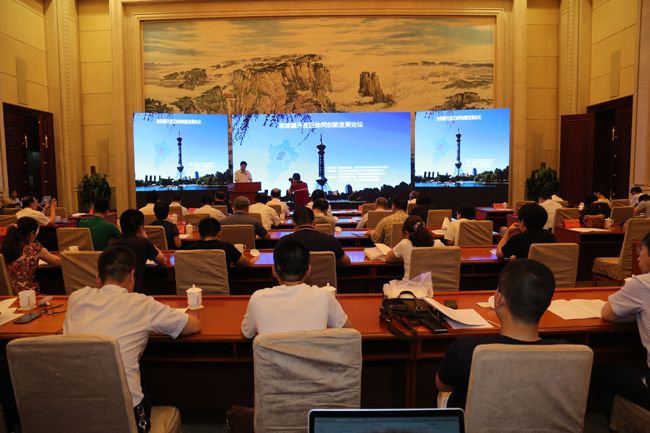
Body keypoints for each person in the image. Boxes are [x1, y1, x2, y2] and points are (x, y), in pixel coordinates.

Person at [63, 247, 200, 432]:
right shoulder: (142, 304)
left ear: (98, 278)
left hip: (74, 409)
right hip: (125, 413)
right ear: (132, 276)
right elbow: (192, 326)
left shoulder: (76, 299)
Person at [436, 259, 562, 409]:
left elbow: (442, 385)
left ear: (500, 299)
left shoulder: (466, 349)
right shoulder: (567, 353)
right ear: (548, 304)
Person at [240, 239, 351, 338]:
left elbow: (246, 334)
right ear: (309, 270)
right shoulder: (324, 296)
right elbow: (350, 332)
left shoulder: (258, 298)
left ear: (274, 270)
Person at [595, 231, 650, 416]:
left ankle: (619, 424)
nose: (638, 257)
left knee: (600, 371)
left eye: (641, 251)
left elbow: (608, 314)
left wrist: (636, 312)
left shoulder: (642, 283)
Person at [109, 209, 165, 294]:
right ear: (141, 228)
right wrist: (146, 238)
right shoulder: (143, 243)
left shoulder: (112, 242)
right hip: (135, 291)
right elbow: (161, 259)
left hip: (115, 291)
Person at [1, 217, 60, 294]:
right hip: (27, 294)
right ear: (32, 233)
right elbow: (57, 262)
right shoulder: (34, 248)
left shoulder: (4, 245)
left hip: (5, 294)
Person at [277, 207, 350, 266]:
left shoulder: (284, 242)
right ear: (314, 222)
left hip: (296, 280)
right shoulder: (330, 240)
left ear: (294, 223)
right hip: (324, 280)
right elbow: (347, 263)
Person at [182, 217, 253, 267]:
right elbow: (247, 264)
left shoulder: (188, 249)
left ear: (199, 233)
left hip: (195, 284)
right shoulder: (227, 248)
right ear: (219, 233)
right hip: (221, 284)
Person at [385, 216, 435, 280]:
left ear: (406, 233)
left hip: (410, 284)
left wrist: (402, 256)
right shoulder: (439, 244)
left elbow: (388, 258)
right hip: (431, 284)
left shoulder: (405, 243)